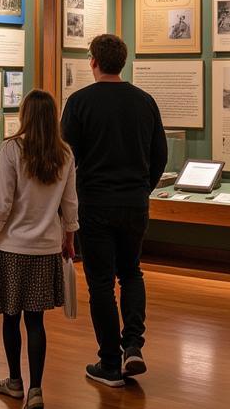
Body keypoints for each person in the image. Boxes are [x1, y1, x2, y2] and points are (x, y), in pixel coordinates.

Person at [61, 33, 167, 387]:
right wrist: (142, 189)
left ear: (93, 61)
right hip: (134, 202)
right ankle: (133, 346)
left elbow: (67, 161)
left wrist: (68, 209)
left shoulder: (78, 103)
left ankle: (109, 362)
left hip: (94, 204)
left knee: (102, 284)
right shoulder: (144, 101)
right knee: (131, 273)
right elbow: (159, 156)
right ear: (122, 62)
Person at [0, 89, 78, 409]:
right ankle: (36, 390)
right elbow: (71, 204)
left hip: (12, 247)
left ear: (25, 115)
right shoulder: (64, 154)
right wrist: (70, 238)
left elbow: (2, 203)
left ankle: (14, 381)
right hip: (46, 247)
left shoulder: (11, 149)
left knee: (10, 317)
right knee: (36, 322)